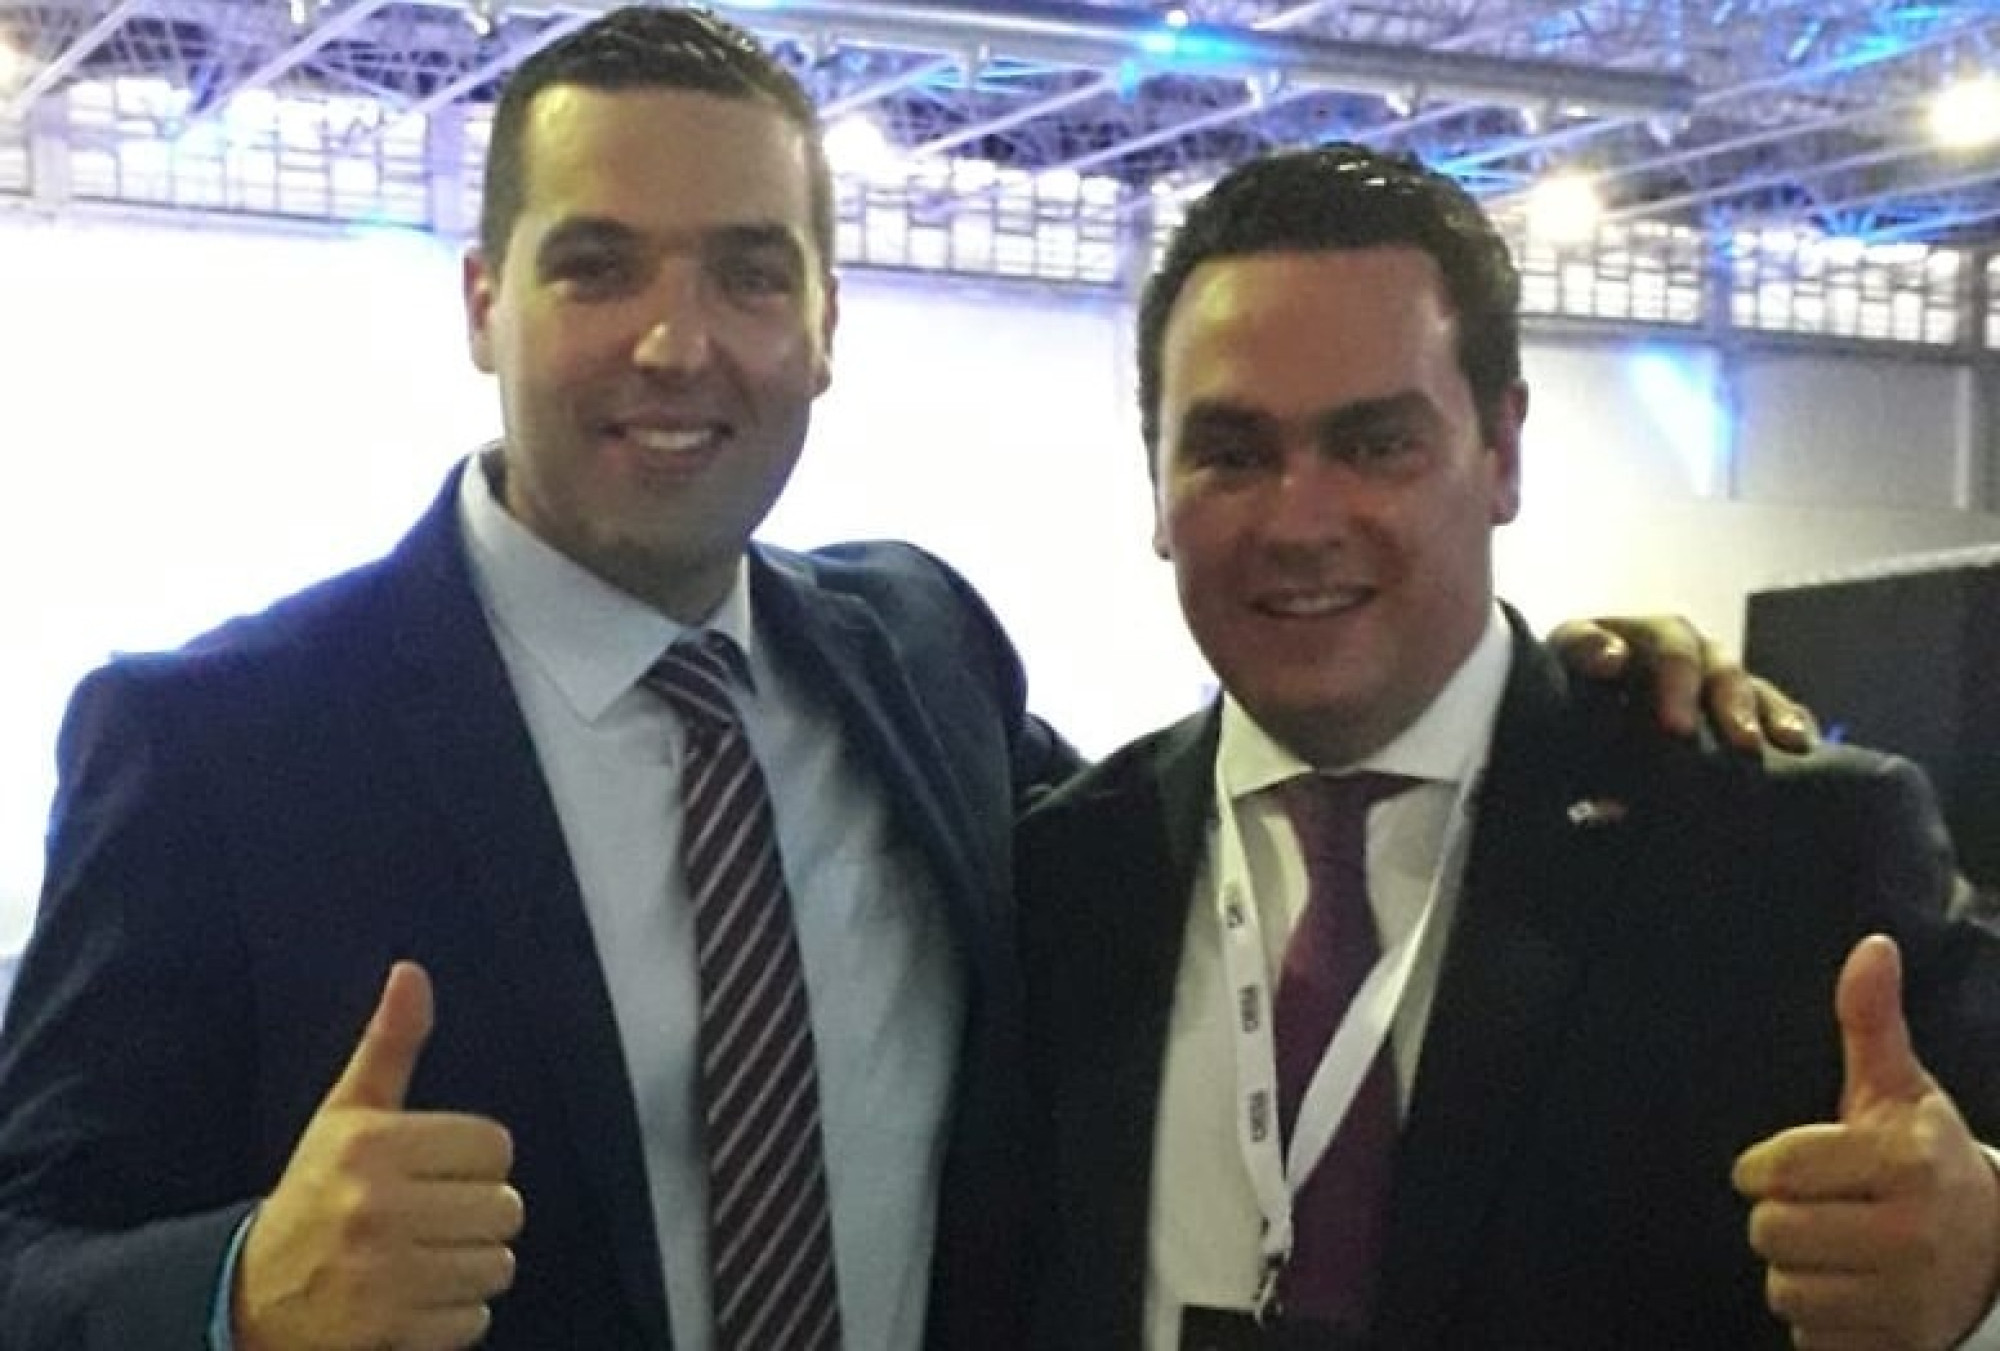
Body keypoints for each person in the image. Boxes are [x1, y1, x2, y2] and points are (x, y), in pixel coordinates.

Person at [0, 11, 1807, 1351]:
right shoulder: (222, 744)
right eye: (597, 265)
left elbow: (1217, 812)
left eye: (749, 271)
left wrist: (1568, 683)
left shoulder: (918, 654)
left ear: (825, 324)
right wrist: (236, 1290)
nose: (676, 340)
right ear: (483, 301)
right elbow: (28, 1247)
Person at [1016, 144, 2000, 1351]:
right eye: (1232, 452)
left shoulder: (1787, 853)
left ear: (1501, 452)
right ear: (1155, 481)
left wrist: (1978, 1278)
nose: (1298, 519)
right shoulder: (1060, 876)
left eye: (1374, 443)